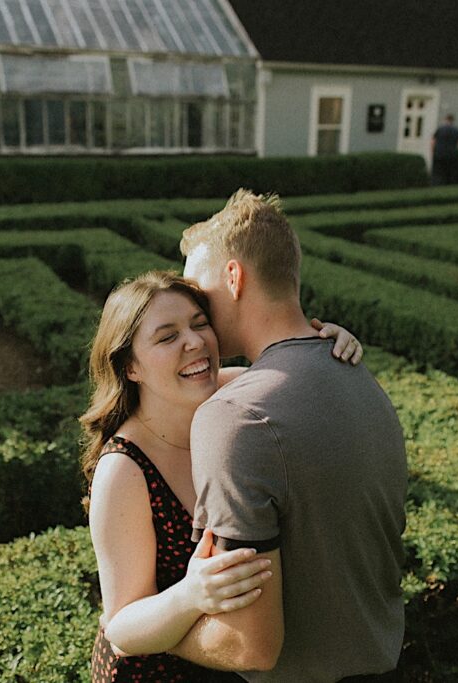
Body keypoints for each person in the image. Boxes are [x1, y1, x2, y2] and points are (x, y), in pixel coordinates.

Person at [80, 270, 363, 682]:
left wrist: (327, 344)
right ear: (130, 367)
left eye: (199, 324)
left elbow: (298, 376)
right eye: (166, 337)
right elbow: (121, 626)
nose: (194, 342)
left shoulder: (227, 391)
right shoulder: (124, 469)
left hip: (226, 665)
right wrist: (189, 596)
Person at [172, 190, 409, 682]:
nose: (193, 311)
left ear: (234, 278)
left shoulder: (234, 418)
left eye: (198, 293)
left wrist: (142, 631)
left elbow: (250, 647)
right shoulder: (356, 372)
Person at [430, 113, 458, 185]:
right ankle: (450, 186)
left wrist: (432, 152)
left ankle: (438, 185)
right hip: (452, 155)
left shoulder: (440, 130)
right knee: (452, 173)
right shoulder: (457, 131)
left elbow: (432, 142)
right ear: (453, 121)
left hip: (439, 154)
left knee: (439, 173)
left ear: (446, 120)